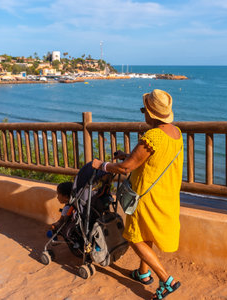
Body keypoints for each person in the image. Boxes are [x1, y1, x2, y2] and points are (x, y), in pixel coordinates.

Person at [92, 89, 183, 300]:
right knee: (146, 234)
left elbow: (125, 169)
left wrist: (102, 165)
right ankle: (143, 273)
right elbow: (152, 159)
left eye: (144, 109)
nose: (143, 113)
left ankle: (166, 280)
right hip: (166, 194)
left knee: (134, 237)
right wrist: (127, 156)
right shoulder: (176, 133)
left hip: (145, 197)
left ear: (151, 112)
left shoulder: (152, 136)